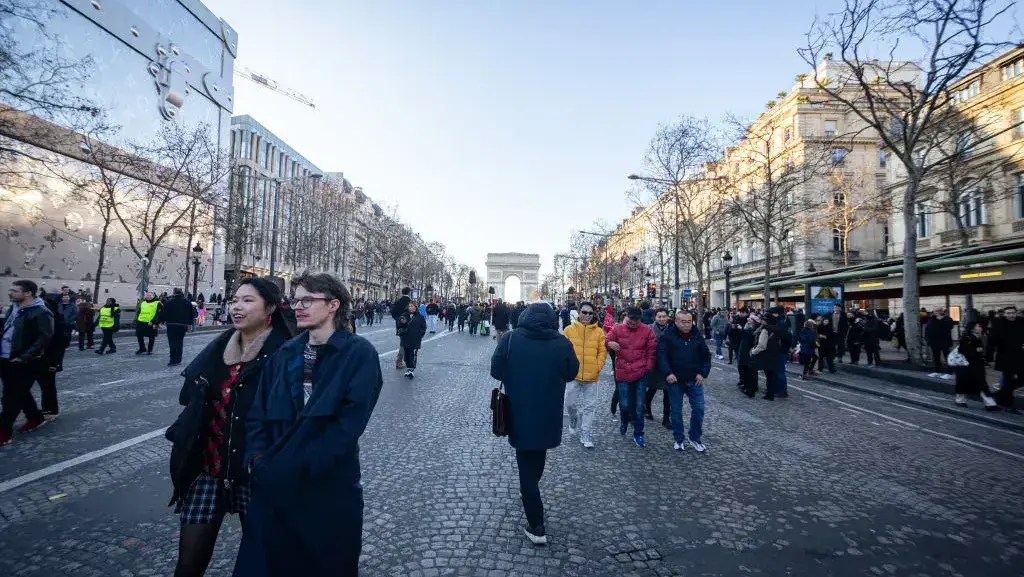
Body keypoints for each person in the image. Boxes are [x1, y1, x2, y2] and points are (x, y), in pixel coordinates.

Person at [236, 272, 383, 576]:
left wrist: (299, 466)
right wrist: (257, 460)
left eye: (307, 300)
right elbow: (257, 414)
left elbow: (347, 426)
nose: (297, 306)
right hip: (273, 487)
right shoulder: (284, 353)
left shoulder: (359, 354)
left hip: (327, 488)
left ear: (333, 305)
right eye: (295, 300)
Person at [168, 278, 293, 577]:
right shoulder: (217, 348)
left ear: (270, 309)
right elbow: (188, 397)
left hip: (255, 474)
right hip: (209, 470)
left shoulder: (286, 353)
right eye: (235, 300)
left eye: (248, 301)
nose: (237, 306)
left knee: (266, 561)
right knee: (188, 565)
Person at [489, 303, 579, 546]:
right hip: (548, 412)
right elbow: (572, 373)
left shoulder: (509, 339)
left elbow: (496, 371)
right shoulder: (561, 342)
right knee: (536, 455)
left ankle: (537, 526)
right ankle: (530, 493)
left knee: (526, 464)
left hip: (519, 410)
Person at [1, 280, 54, 445]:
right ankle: (35, 417)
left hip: (24, 361)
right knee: (20, 392)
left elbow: (44, 338)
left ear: (28, 293)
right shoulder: (15, 307)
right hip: (6, 357)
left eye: (15, 291)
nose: (10, 293)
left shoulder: (41, 311)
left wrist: (24, 357)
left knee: (10, 397)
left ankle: (3, 432)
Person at [657, 311, 711, 452]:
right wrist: (668, 373)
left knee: (699, 409)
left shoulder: (696, 335)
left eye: (689, 321)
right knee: (676, 411)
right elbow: (662, 356)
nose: (686, 325)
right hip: (675, 380)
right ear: (676, 321)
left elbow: (706, 356)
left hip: (695, 379)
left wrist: (703, 373)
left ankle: (694, 437)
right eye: (683, 322)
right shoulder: (668, 336)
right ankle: (678, 438)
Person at [605, 306, 657, 447]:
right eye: (631, 319)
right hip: (622, 371)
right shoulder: (617, 329)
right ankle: (624, 420)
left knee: (640, 405)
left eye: (636, 320)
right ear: (627, 316)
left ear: (640, 319)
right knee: (624, 403)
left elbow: (652, 351)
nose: (633, 322)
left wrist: (647, 368)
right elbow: (607, 340)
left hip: (640, 372)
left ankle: (639, 433)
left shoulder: (647, 330)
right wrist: (609, 343)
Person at [562, 301, 607, 448]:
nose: (587, 315)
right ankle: (573, 418)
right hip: (573, 375)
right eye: (584, 312)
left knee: (590, 407)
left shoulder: (599, 332)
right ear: (579, 313)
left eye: (590, 313)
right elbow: (563, 352)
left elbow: (602, 352)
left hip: (591, 376)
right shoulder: (568, 330)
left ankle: (585, 433)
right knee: (569, 403)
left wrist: (597, 367)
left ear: (594, 315)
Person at [953, 321, 998, 411]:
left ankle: (990, 403)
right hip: (967, 366)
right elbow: (963, 350)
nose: (980, 327)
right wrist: (976, 350)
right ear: (973, 328)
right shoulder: (967, 337)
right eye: (978, 326)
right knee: (967, 383)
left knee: (981, 384)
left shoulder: (979, 337)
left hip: (976, 365)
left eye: (980, 326)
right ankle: (960, 400)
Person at [36, 295, 66, 419]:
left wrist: (56, 363)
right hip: (40, 357)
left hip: (49, 358)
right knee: (45, 384)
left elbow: (59, 343)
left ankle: (50, 409)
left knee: (47, 384)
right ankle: (46, 408)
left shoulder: (56, 319)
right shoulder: (45, 318)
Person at [990, 306, 1023, 413]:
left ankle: (1001, 394)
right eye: (1008, 313)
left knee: (1021, 379)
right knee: (1008, 380)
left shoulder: (1021, 322)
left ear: (1016, 313)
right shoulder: (998, 324)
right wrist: (989, 357)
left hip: (1020, 356)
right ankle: (1008, 405)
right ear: (1004, 314)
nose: (1011, 315)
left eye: (1013, 313)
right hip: (1005, 357)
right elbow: (992, 341)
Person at [644, 308, 672, 429]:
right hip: (654, 363)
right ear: (655, 317)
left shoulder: (672, 329)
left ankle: (666, 419)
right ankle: (647, 408)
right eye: (659, 316)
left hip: (667, 364)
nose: (662, 319)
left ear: (667, 317)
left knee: (668, 391)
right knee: (652, 388)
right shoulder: (648, 328)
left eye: (664, 316)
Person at [750, 311, 783, 401]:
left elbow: (762, 345)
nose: (762, 321)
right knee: (772, 375)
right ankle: (772, 392)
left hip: (767, 354)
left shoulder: (765, 329)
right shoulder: (777, 328)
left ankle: (769, 394)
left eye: (763, 320)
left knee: (769, 375)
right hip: (775, 353)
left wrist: (753, 351)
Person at [163, 288, 194, 366]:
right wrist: (190, 324)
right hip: (183, 326)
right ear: (182, 293)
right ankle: (178, 359)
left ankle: (173, 359)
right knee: (180, 342)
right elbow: (192, 314)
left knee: (172, 342)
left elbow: (163, 314)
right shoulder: (187, 302)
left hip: (171, 325)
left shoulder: (169, 302)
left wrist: (156, 322)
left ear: (174, 293)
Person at [397, 300, 427, 379]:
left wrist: (419, 335)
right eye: (409, 306)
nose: (410, 307)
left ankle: (411, 369)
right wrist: (402, 323)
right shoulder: (404, 315)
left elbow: (423, 327)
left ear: (415, 307)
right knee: (406, 355)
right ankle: (408, 368)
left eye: (412, 306)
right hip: (405, 338)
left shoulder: (420, 317)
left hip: (415, 339)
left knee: (413, 354)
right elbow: (399, 325)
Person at [737, 313, 760, 397]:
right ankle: (746, 385)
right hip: (744, 349)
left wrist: (742, 329)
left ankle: (751, 388)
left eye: (750, 319)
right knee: (744, 368)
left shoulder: (754, 328)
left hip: (749, 350)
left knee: (750, 370)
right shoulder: (748, 326)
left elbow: (750, 337)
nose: (748, 320)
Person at [926, 308, 955, 372]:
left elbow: (950, 326)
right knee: (936, 357)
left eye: (939, 311)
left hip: (945, 341)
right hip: (934, 342)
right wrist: (928, 340)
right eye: (936, 311)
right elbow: (927, 330)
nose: (937, 312)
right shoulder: (931, 319)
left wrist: (940, 319)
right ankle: (937, 370)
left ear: (942, 312)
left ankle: (949, 370)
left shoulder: (947, 319)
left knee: (947, 356)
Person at [390, 287, 413, 370]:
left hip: (399, 324)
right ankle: (399, 361)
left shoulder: (398, 301)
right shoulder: (410, 302)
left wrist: (398, 319)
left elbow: (392, 312)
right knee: (405, 342)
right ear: (409, 292)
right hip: (408, 324)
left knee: (403, 341)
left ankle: (402, 360)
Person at [135, 291, 161, 355]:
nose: (148, 296)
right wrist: (137, 318)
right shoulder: (143, 302)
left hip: (151, 322)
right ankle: (142, 348)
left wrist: (153, 322)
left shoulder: (157, 303)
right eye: (147, 295)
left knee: (151, 337)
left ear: (153, 296)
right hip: (141, 322)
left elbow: (158, 314)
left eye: (150, 295)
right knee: (139, 335)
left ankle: (150, 350)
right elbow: (139, 311)